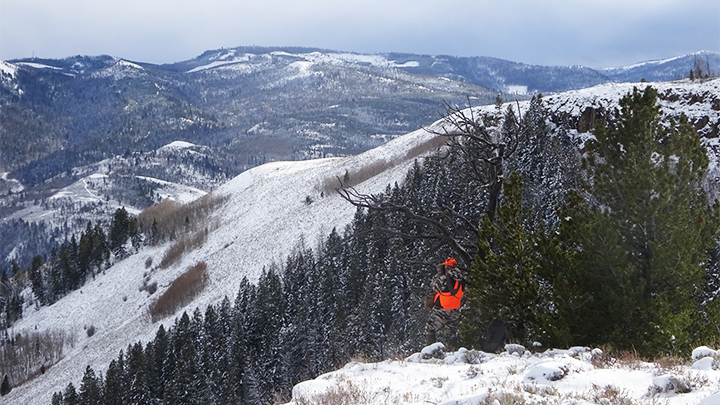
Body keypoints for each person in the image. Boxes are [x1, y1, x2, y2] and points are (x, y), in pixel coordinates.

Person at [425, 257, 465, 351]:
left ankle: (431, 352)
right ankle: (453, 352)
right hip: (455, 309)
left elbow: (434, 286)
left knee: (430, 328)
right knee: (451, 331)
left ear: (447, 267)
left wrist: (439, 274)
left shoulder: (444, 278)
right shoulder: (462, 278)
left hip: (443, 308)